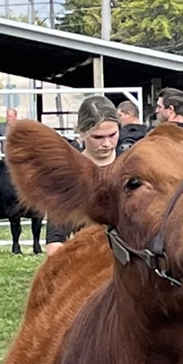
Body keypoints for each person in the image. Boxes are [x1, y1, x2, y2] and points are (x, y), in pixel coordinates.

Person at [45, 96, 120, 257]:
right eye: (98, 137)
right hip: (92, 260)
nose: (107, 143)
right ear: (82, 132)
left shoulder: (133, 167)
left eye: (112, 134)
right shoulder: (69, 176)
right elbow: (56, 239)